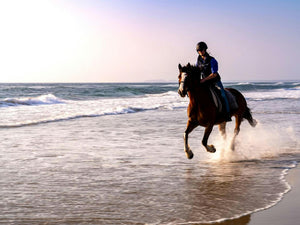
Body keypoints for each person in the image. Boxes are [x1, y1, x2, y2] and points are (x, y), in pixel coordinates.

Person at [195, 41, 232, 121]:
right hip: (205, 82)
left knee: (223, 94)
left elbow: (214, 74)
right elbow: (196, 71)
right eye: (199, 51)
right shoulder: (198, 61)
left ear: (205, 50)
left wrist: (204, 79)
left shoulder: (212, 60)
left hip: (215, 81)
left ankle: (227, 114)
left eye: (202, 50)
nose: (200, 52)